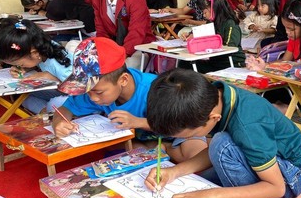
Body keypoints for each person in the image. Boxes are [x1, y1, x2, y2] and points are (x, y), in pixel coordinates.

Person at [143, 69, 301, 198]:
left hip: (292, 172)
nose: (184, 140)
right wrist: (174, 172)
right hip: (266, 160)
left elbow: (275, 187)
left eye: (187, 136)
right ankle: (289, 197)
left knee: (221, 147)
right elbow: (218, 152)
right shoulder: (216, 97)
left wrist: (214, 195)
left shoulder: (247, 127)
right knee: (201, 180)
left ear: (213, 118)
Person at [53, 37, 205, 163]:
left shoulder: (155, 89)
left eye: (98, 92)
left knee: (194, 154)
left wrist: (138, 122)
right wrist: (59, 123)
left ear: (123, 80)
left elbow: (180, 123)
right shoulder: (97, 88)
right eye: (89, 92)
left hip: (179, 131)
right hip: (143, 139)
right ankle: (156, 147)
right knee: (121, 149)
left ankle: (164, 147)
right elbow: (64, 109)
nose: (93, 98)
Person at [0, 18, 72, 114]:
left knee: (55, 103)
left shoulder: (60, 65)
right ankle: (46, 113)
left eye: (20, 64)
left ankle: (50, 113)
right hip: (57, 91)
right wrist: (25, 68)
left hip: (74, 96)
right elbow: (38, 63)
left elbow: (81, 92)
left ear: (34, 53)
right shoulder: (42, 49)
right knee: (24, 97)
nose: (19, 66)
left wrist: (53, 78)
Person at [90, 0, 155, 69]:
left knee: (125, 67)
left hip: (137, 47)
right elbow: (101, 31)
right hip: (114, 47)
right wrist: (107, 52)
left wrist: (120, 55)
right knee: (78, 51)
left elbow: (136, 33)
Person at [179, 0, 246, 72]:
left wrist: (207, 45)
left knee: (190, 67)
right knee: (183, 64)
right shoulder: (210, 23)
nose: (203, 15)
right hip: (215, 62)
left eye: (205, 12)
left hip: (232, 62)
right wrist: (190, 35)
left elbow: (230, 48)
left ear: (214, 8)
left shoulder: (230, 24)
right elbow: (201, 33)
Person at [20, 0, 96, 34]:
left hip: (90, 23)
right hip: (86, 17)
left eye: (33, 7)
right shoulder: (50, 2)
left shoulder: (53, 6)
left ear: (40, 3)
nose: (33, 9)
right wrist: (37, 10)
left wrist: (39, 12)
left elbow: (54, 17)